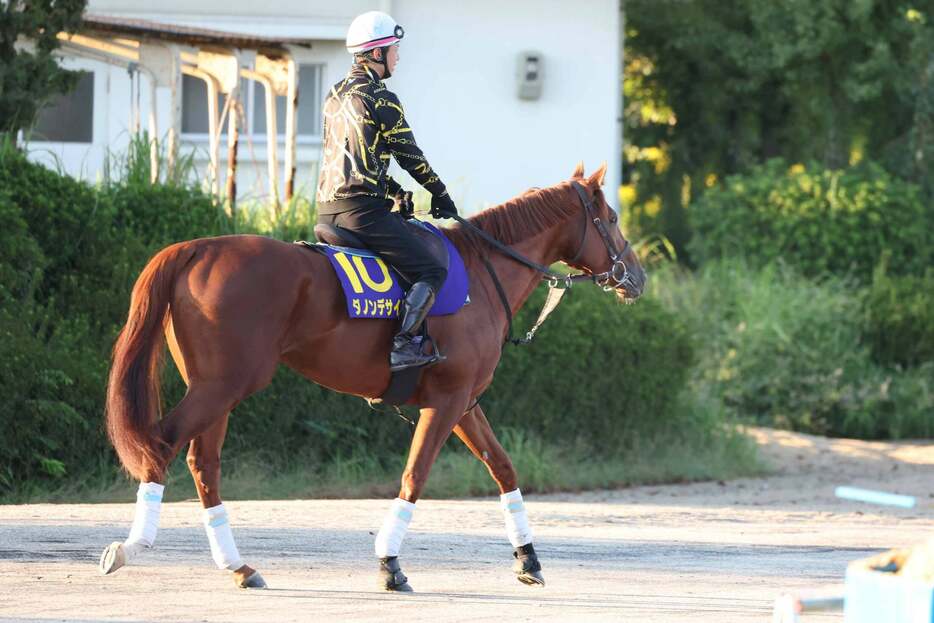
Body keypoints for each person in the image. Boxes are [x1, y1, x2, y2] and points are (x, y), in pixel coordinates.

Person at [316, 10, 458, 372]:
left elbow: (353, 157)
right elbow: (411, 157)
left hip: (326, 211)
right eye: (394, 49)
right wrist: (440, 195)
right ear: (377, 54)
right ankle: (405, 344)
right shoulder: (382, 98)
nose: (398, 56)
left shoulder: (333, 95)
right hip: (362, 214)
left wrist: (393, 190)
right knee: (431, 271)